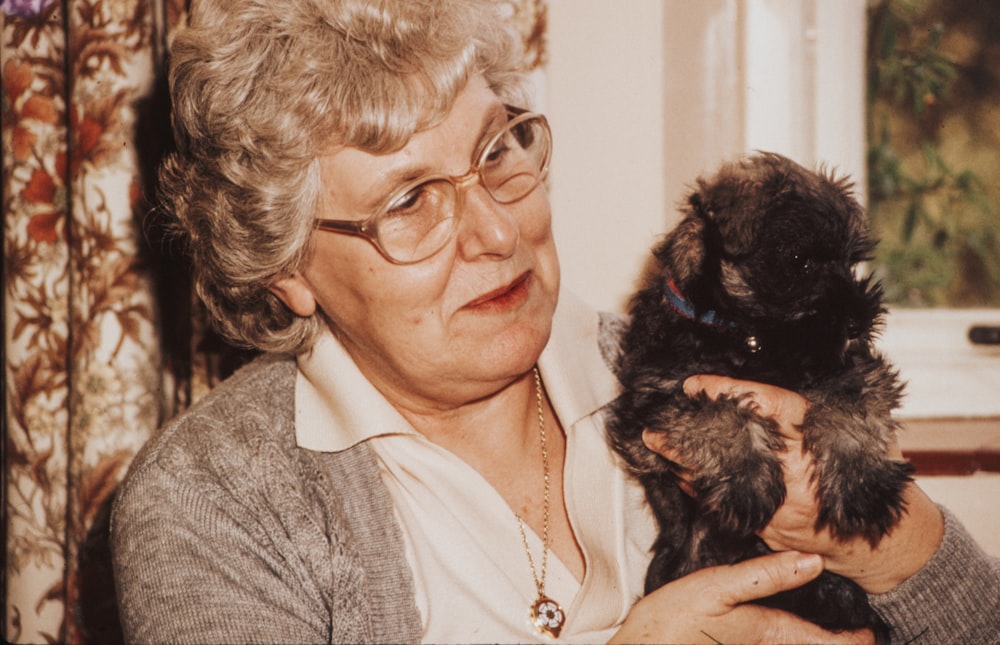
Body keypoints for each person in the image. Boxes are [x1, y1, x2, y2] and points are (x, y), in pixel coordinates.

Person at [110, 0, 1000, 643]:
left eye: (499, 151)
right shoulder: (212, 500)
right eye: (411, 200)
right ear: (288, 268)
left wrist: (893, 543)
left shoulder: (696, 371)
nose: (500, 229)